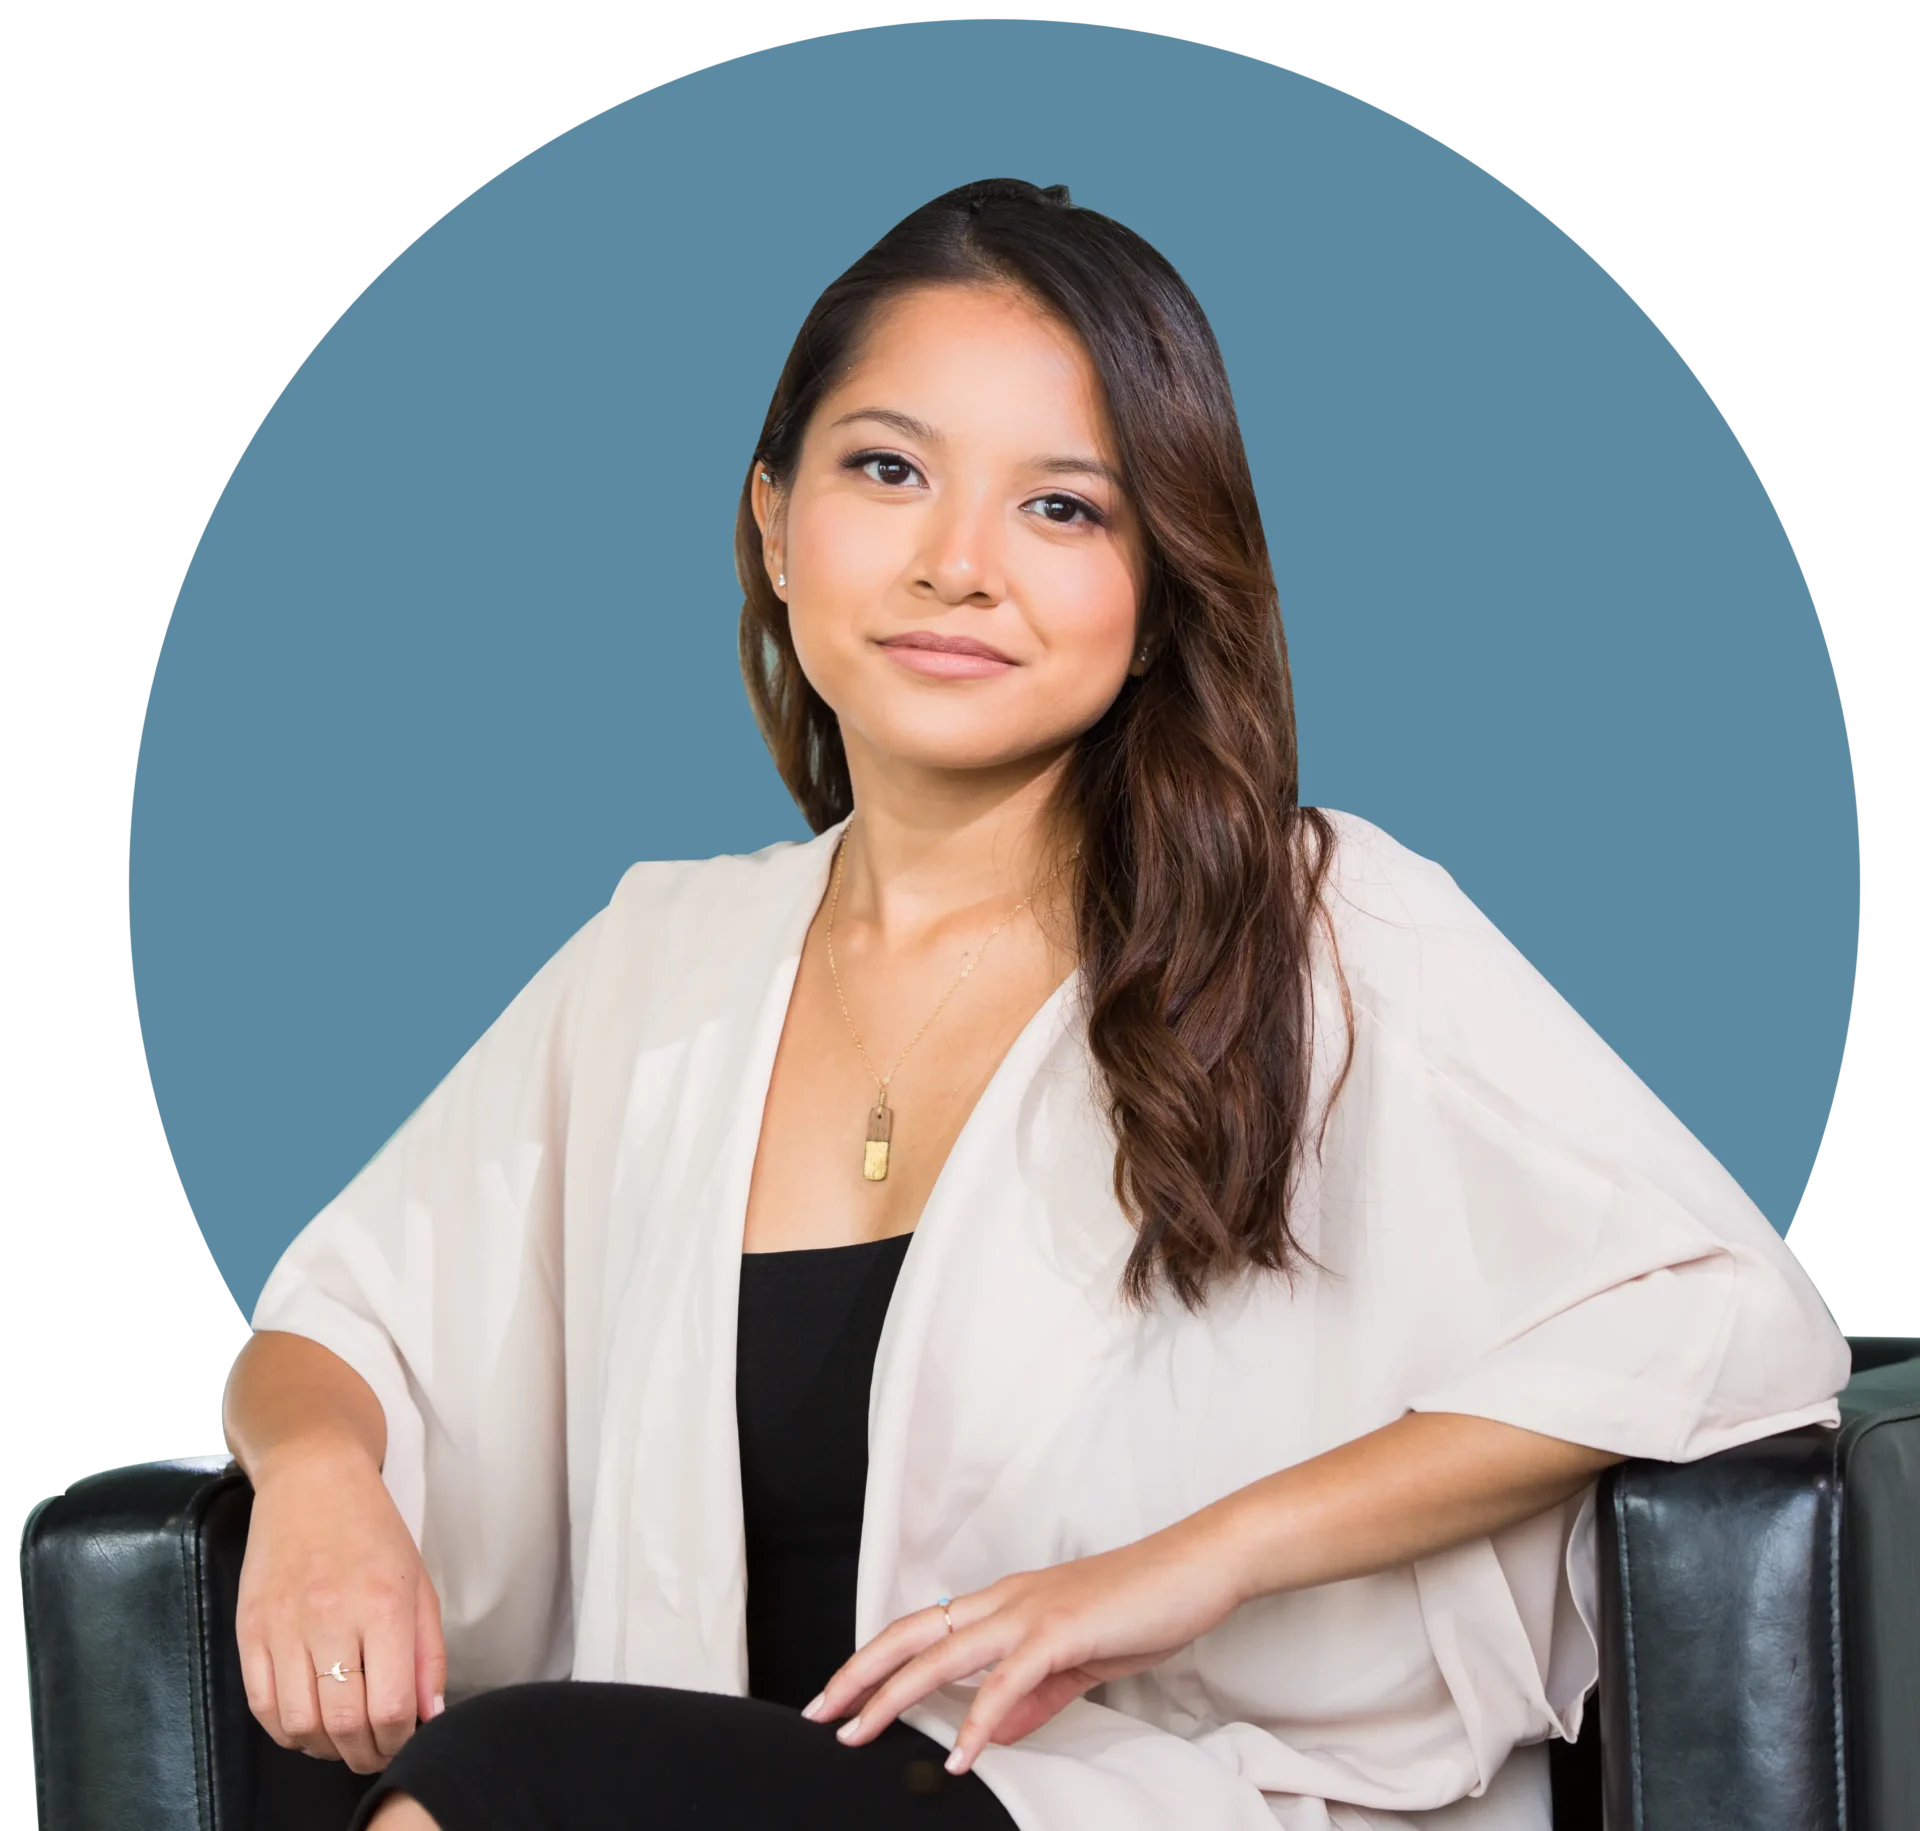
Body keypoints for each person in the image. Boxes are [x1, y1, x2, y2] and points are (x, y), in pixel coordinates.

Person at [220, 177, 1849, 1831]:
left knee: (505, 1778)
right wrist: (322, 1480)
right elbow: (344, 1319)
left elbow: (1723, 1311)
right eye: (888, 470)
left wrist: (1184, 1568)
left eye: (1063, 508)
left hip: (1122, 1804)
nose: (957, 565)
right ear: (774, 523)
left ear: (1160, 589)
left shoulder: (1312, 924)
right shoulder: (661, 961)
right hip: (712, 1789)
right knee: (336, 1752)